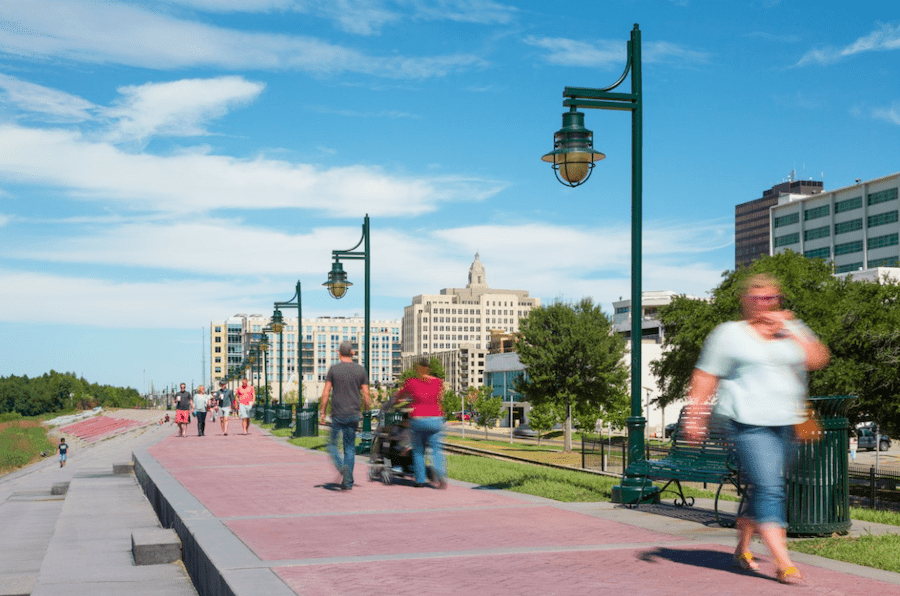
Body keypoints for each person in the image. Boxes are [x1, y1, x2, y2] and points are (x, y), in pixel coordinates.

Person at [684, 273, 829, 585]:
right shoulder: (729, 334)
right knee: (770, 487)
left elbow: (818, 359)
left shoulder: (791, 327)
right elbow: (705, 375)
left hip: (788, 422)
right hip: (747, 423)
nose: (767, 304)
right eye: (760, 298)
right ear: (746, 301)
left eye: (773, 298)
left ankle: (742, 546)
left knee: (765, 487)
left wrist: (790, 330)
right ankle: (783, 562)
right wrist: (695, 416)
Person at [320, 341, 371, 490]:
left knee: (331, 446)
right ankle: (347, 482)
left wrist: (322, 411)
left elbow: (326, 392)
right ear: (352, 353)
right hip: (353, 414)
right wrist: (366, 408)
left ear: (339, 353)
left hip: (337, 414)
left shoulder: (334, 369)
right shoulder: (360, 370)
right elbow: (366, 393)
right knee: (349, 448)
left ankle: (343, 469)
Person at [395, 357, 447, 488]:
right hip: (436, 419)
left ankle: (420, 480)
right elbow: (440, 398)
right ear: (428, 369)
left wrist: (400, 402)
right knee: (436, 450)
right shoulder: (437, 382)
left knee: (418, 451)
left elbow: (399, 396)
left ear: (417, 369)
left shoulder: (411, 382)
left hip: (418, 419)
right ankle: (441, 477)